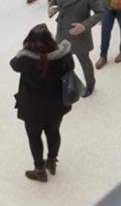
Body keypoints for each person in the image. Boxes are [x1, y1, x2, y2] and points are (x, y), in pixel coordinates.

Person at [10, 24, 75, 182]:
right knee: (53, 132)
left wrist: (25, 50)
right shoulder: (63, 56)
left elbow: (13, 64)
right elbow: (71, 66)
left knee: (34, 136)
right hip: (57, 105)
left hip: (32, 107)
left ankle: (39, 169)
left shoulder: (25, 59)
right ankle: (52, 161)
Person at [49, 0, 104, 98]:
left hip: (78, 35)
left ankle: (90, 85)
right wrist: (52, 8)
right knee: (61, 60)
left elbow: (101, 12)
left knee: (84, 60)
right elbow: (55, 1)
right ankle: (68, 83)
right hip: (62, 31)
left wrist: (84, 25)